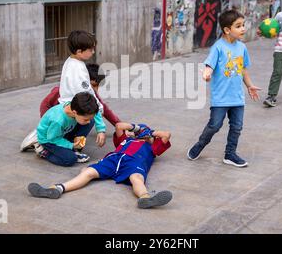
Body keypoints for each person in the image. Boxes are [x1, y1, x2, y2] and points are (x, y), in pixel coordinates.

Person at [27, 122, 173, 209]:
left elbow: (166, 134)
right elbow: (119, 125)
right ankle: (57, 188)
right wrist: (137, 129)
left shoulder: (154, 147)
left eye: (151, 137)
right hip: (113, 159)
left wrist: (150, 133)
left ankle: (145, 198)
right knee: (88, 172)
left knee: (136, 178)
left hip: (134, 162)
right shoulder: (125, 140)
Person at [187, 9, 261, 167]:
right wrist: (207, 73)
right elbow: (209, 64)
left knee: (237, 127)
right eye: (238, 26)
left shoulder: (242, 47)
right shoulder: (218, 47)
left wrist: (249, 85)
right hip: (221, 98)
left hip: (237, 97)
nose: (243, 29)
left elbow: (243, 69)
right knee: (214, 125)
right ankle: (200, 144)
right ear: (227, 30)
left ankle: (230, 154)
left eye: (243, 25)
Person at [20, 31, 107, 154]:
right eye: (91, 49)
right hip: (72, 109)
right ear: (79, 51)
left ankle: (63, 143)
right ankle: (50, 143)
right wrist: (100, 128)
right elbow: (89, 100)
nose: (93, 52)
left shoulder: (70, 61)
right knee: (89, 120)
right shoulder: (79, 73)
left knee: (86, 120)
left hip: (66, 106)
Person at [38, 63, 121, 126]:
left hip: (71, 120)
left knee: (91, 117)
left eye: (98, 86)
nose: (96, 90)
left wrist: (118, 124)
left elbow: (103, 108)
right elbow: (45, 104)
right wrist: (46, 123)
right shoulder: (62, 91)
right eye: (94, 85)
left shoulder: (90, 93)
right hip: (57, 120)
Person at [35, 92, 99, 167]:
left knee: (91, 121)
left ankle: (73, 147)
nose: (87, 121)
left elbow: (93, 115)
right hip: (49, 140)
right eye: (85, 119)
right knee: (70, 159)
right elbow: (52, 139)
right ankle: (44, 152)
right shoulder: (58, 121)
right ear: (75, 112)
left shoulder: (73, 107)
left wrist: (101, 129)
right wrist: (71, 145)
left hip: (62, 132)